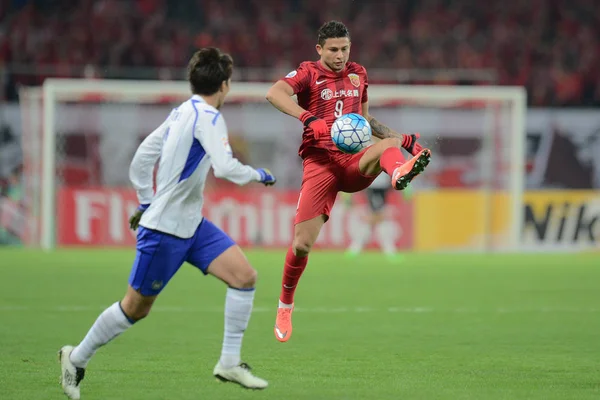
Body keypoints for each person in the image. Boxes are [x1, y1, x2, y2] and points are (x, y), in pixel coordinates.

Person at [58, 48, 275, 399]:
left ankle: (229, 362)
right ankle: (76, 358)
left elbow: (142, 158)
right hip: (165, 232)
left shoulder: (180, 113)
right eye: (229, 83)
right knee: (135, 308)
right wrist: (258, 174)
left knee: (244, 277)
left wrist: (146, 199)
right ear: (223, 85)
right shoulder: (209, 116)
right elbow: (225, 167)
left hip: (192, 225)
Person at [266, 20, 431, 343]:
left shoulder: (359, 74)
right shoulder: (308, 73)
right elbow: (274, 93)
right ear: (319, 50)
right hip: (321, 165)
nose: (340, 55)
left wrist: (406, 139)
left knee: (388, 147)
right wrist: (308, 117)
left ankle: (398, 173)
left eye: (344, 49)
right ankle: (285, 305)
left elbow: (366, 121)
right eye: (333, 50)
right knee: (301, 244)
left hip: (354, 161)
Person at [344, 173, 412, 261]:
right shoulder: (362, 191)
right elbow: (355, 206)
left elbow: (396, 207)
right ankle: (354, 249)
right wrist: (368, 216)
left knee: (386, 228)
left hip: (382, 214)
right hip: (368, 214)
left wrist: (378, 216)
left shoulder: (391, 191)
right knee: (362, 228)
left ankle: (390, 251)